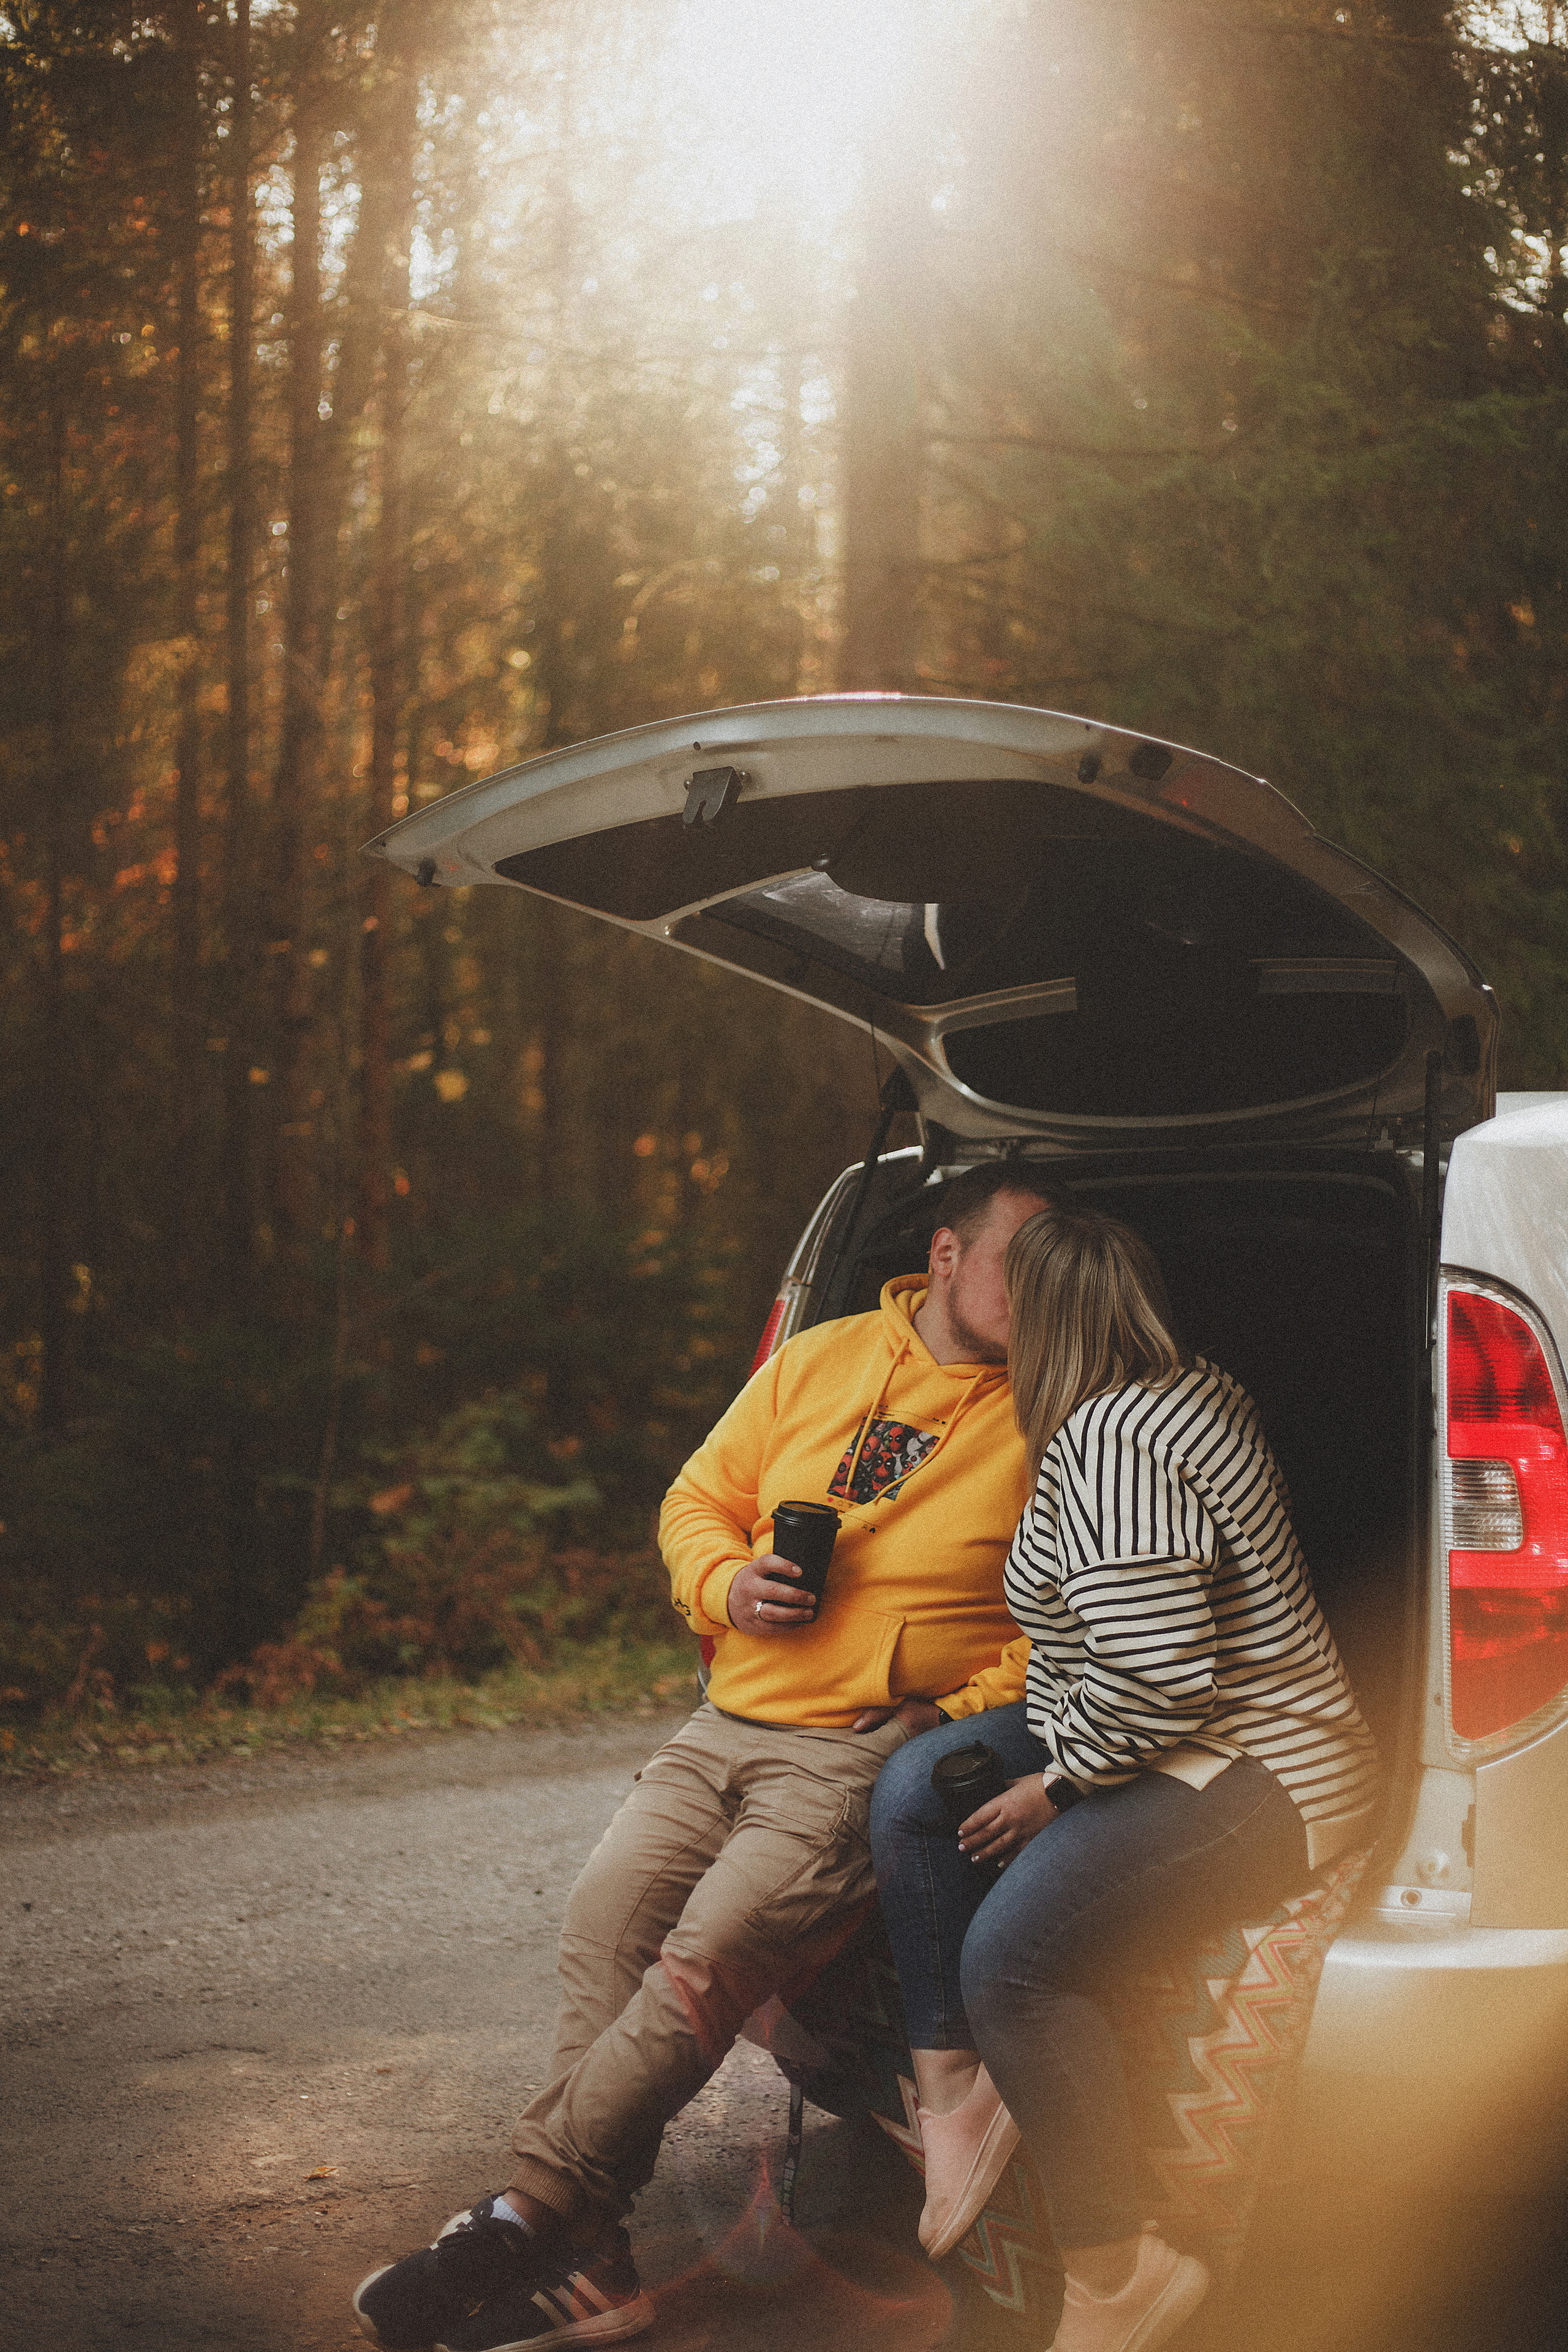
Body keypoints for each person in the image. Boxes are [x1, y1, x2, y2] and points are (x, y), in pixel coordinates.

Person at [352, 1162, 1057, 2352]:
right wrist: (725, 1584)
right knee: (604, 1922)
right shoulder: (819, 1358)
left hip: (853, 1752)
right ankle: (594, 2262)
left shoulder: (1057, 1406)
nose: (1040, 1290)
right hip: (726, 1721)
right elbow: (694, 1500)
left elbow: (1076, 1616)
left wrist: (942, 1714)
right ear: (945, 1255)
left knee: (706, 1960)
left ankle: (526, 2214)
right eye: (1016, 1262)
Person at [869, 1202, 1379, 2352]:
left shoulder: (1115, 1443)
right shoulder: (1186, 1386)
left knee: (1014, 1961)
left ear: (1049, 1322)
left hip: (1258, 1761)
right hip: (1125, 1719)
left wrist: (1052, 1791)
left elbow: (1162, 1682)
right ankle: (958, 2101)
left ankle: (1116, 2275)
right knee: (916, 1789)